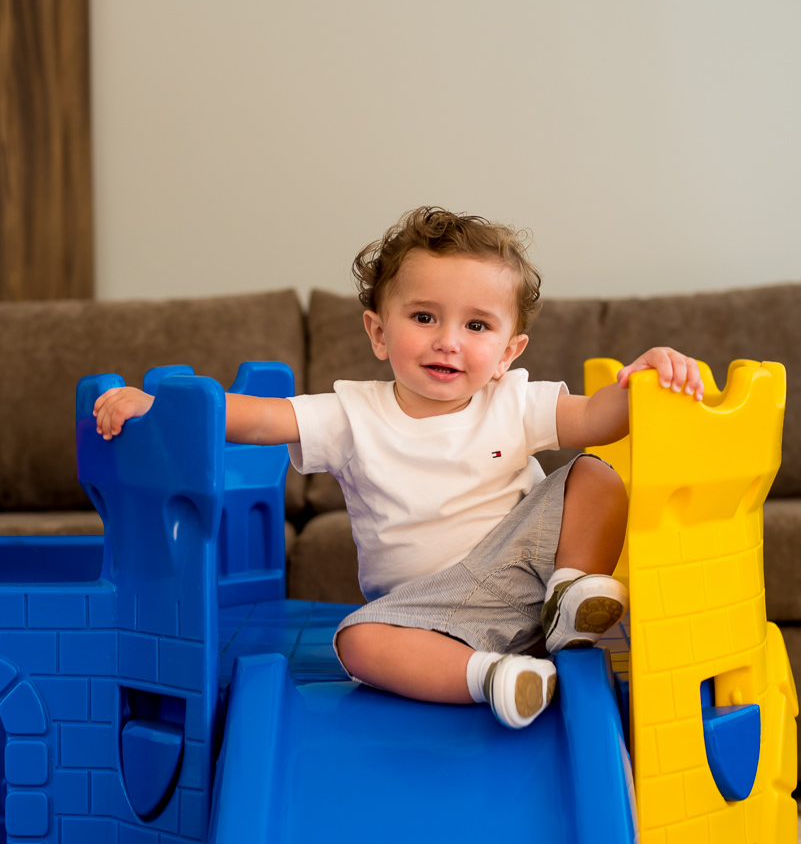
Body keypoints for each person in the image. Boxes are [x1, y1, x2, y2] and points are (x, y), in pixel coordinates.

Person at [93, 207, 703, 730]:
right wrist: (167, 407)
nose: (448, 341)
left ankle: (574, 595)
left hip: (529, 579)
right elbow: (261, 421)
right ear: (379, 333)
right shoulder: (352, 414)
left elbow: (600, 418)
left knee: (594, 474)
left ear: (507, 352)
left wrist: (647, 374)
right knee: (356, 643)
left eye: (477, 325)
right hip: (427, 613)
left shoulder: (514, 401)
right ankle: (493, 677)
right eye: (424, 317)